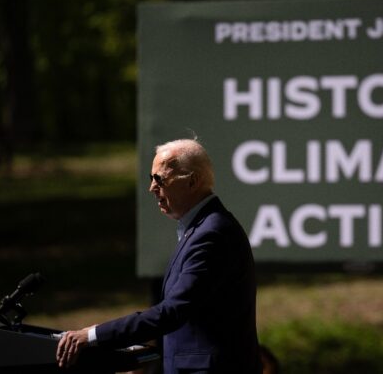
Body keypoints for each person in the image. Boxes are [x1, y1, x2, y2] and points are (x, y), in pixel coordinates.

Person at [56, 138, 262, 374]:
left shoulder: (212, 233)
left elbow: (172, 311)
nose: (152, 188)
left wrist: (93, 335)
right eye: (151, 179)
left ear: (192, 181)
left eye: (159, 179)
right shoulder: (202, 227)